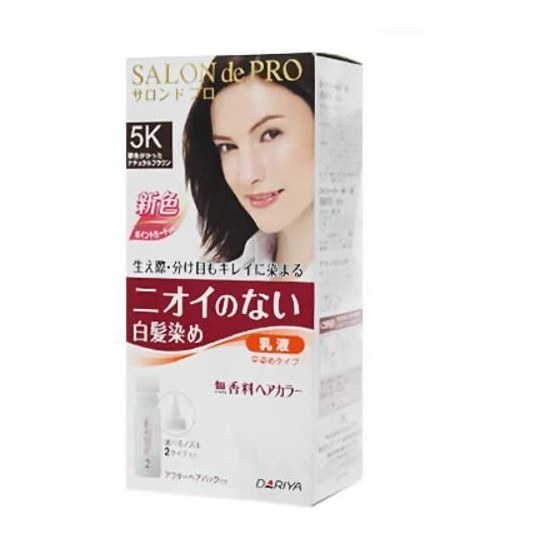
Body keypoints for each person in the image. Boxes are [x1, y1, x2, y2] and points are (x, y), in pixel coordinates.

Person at [183, 54, 314, 279]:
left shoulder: (356, 279)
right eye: (227, 147)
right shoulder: (224, 278)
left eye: (270, 134)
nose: (247, 175)